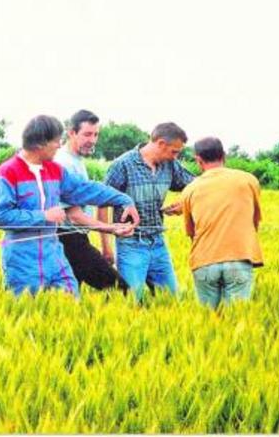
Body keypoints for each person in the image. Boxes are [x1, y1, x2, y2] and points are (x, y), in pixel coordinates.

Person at [0, 115, 139, 297]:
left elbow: (85, 189)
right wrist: (44, 217)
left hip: (55, 255)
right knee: (30, 315)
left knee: (70, 306)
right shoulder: (8, 172)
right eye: (56, 141)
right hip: (22, 261)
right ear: (41, 143)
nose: (59, 146)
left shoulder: (55, 170)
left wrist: (123, 199)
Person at [99, 122, 194, 300]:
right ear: (160, 144)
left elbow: (197, 186)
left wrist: (184, 204)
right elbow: (103, 203)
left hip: (158, 243)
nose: (175, 157)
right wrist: (106, 246)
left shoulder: (170, 166)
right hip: (131, 244)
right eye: (174, 151)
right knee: (131, 301)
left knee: (172, 300)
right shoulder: (123, 165)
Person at [54, 109, 131, 292]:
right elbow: (74, 216)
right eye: (87, 134)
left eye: (96, 134)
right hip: (68, 239)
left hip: (77, 238)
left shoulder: (76, 160)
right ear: (71, 132)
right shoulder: (65, 163)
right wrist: (111, 228)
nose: (93, 140)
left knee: (71, 299)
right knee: (120, 290)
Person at [181, 137, 263, 309]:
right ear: (224, 156)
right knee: (235, 319)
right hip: (239, 257)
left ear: (198, 160)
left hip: (203, 262)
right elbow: (254, 221)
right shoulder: (249, 180)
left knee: (208, 320)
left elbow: (191, 232)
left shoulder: (190, 189)